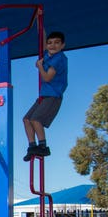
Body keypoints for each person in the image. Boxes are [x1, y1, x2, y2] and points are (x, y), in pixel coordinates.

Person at [22, 31, 68, 161]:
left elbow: (47, 77)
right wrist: (39, 21)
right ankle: (32, 146)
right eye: (50, 43)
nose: (52, 46)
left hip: (53, 95)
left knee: (36, 120)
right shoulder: (48, 55)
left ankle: (43, 146)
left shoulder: (59, 58)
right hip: (44, 95)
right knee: (26, 119)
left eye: (56, 43)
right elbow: (42, 40)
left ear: (62, 45)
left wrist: (40, 66)